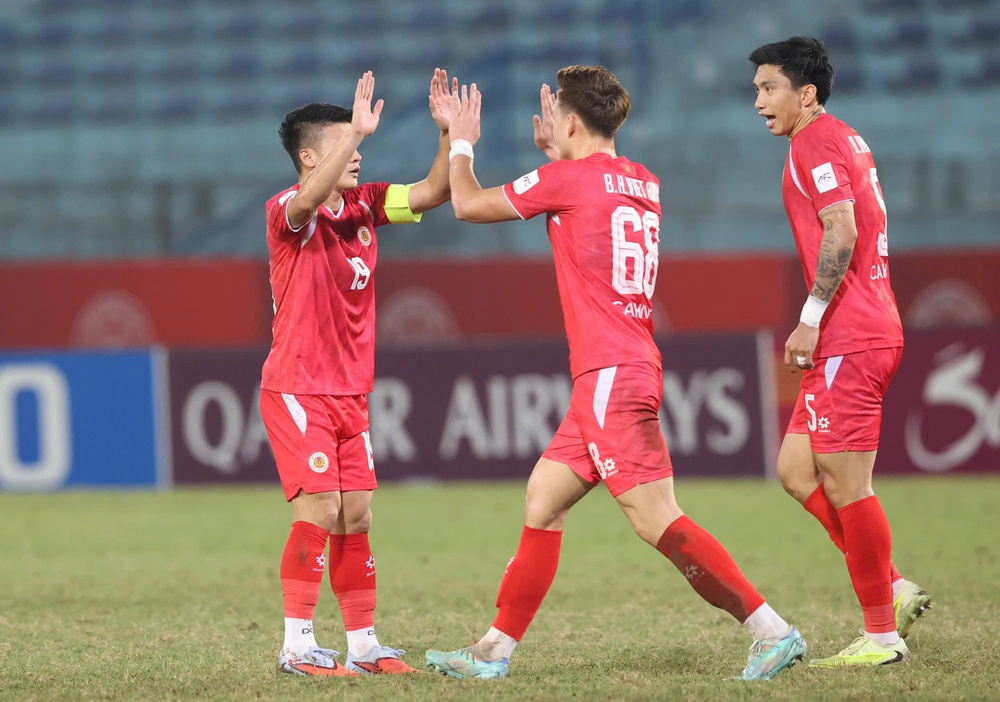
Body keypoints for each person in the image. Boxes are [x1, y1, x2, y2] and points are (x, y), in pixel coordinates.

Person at [423, 66, 807, 681]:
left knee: (657, 518)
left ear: (571, 121)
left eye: (558, 120)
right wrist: (560, 153)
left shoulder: (566, 179)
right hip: (625, 364)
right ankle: (493, 653)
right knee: (543, 500)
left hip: (607, 373)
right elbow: (589, 205)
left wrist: (461, 138)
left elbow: (466, 204)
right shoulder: (643, 180)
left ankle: (772, 630)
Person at [260, 69, 455, 676]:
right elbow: (307, 199)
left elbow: (432, 193)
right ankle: (296, 647)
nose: (359, 150)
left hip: (350, 393)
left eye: (361, 140)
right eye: (346, 141)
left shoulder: (366, 204)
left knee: (356, 514)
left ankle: (365, 646)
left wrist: (452, 137)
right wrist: (356, 130)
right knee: (318, 510)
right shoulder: (287, 214)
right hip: (297, 387)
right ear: (311, 156)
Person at [748, 37, 931, 667]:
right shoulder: (844, 137)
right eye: (755, 90)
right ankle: (895, 586)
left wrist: (809, 318)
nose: (758, 102)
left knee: (850, 487)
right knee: (796, 471)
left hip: (850, 334)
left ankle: (881, 635)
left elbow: (842, 228)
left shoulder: (816, 140)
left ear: (806, 94)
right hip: (853, 332)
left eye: (769, 88)